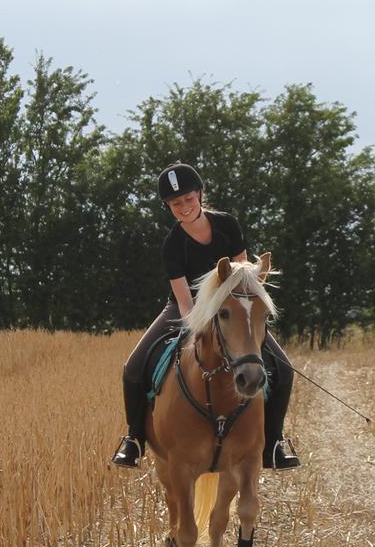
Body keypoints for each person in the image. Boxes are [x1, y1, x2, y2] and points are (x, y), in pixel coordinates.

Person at [112, 163, 301, 471]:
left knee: (285, 368)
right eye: (176, 204)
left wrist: (242, 318)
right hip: (185, 310)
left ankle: (275, 443)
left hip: (234, 309)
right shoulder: (172, 245)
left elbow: (243, 276)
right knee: (133, 367)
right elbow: (185, 301)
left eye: (188, 199)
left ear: (200, 194)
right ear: (168, 207)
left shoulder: (227, 224)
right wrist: (201, 325)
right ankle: (133, 440)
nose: (184, 207)